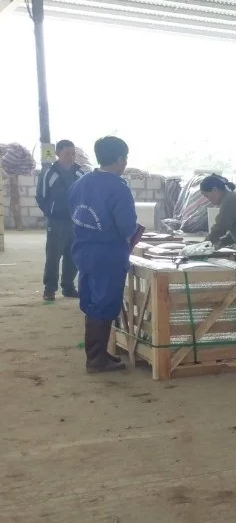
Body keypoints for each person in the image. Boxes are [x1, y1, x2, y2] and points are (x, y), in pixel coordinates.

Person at [68, 136, 143, 374]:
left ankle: (97, 353)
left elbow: (71, 212)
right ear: (121, 159)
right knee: (105, 302)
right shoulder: (118, 188)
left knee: (91, 302)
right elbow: (126, 225)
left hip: (83, 251)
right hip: (108, 254)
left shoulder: (81, 182)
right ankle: (96, 359)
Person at [36, 139, 87, 301]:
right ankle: (49, 289)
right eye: (67, 153)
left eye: (73, 153)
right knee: (53, 255)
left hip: (76, 222)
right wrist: (51, 212)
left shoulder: (80, 174)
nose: (71, 157)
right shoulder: (49, 173)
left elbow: (85, 196)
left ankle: (68, 287)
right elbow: (41, 196)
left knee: (73, 255)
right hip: (56, 222)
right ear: (58, 153)